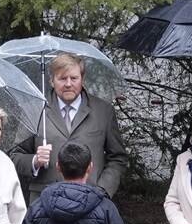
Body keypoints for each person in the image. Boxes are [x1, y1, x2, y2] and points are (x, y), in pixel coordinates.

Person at [9, 53, 129, 203]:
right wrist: (34, 161)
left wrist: (102, 190)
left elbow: (117, 158)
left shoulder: (103, 111)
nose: (68, 84)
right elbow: (15, 156)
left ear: (82, 79)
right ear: (52, 81)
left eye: (74, 78)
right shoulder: (34, 110)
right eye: (62, 78)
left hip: (90, 201)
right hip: (45, 202)